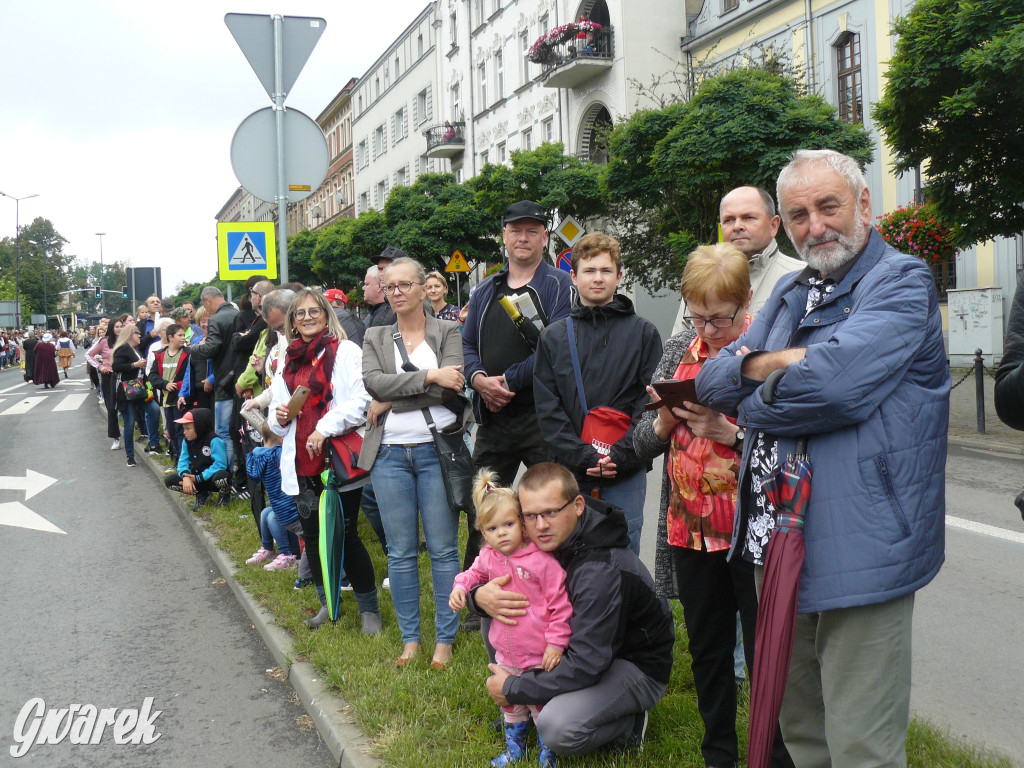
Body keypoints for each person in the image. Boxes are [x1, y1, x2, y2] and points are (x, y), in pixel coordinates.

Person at [697, 149, 950, 768]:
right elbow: (711, 383)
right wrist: (779, 365)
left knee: (862, 744)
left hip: (862, 543)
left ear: (864, 203)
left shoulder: (902, 281)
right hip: (776, 539)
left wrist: (754, 394)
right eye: (799, 214)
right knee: (802, 729)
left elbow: (836, 387)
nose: (816, 226)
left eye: (828, 206)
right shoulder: (791, 288)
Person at [633, 243, 793, 768]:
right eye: (697, 316)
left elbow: (795, 441)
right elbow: (640, 440)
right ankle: (718, 752)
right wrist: (662, 422)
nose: (707, 330)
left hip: (751, 532)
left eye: (719, 318)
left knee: (770, 652)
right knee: (707, 648)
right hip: (689, 529)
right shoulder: (680, 348)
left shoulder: (770, 350)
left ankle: (773, 753)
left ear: (747, 301)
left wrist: (732, 432)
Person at [472, 462, 674, 757]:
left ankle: (627, 724)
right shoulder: (531, 536)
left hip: (631, 662)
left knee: (557, 728)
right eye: (530, 515)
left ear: (578, 505)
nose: (540, 525)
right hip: (580, 644)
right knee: (498, 606)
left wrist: (514, 687)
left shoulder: (599, 569)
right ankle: (526, 709)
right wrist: (477, 598)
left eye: (551, 512)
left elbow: (587, 663)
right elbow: (482, 571)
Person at [359, 256, 472, 667]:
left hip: (435, 452)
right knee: (401, 553)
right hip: (389, 456)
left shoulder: (448, 330)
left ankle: (445, 639)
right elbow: (374, 382)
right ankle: (411, 640)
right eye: (391, 287)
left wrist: (391, 399)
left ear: (424, 288)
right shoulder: (375, 335)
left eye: (406, 284)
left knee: (443, 550)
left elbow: (453, 388)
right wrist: (427, 377)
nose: (398, 292)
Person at [462, 200, 573, 579]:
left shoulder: (559, 285)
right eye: (515, 230)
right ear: (504, 237)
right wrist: (478, 380)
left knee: (548, 507)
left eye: (531, 230)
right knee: (486, 506)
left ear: (545, 237)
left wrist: (507, 381)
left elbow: (553, 347)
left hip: (543, 417)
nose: (522, 238)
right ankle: (479, 593)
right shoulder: (484, 290)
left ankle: (554, 586)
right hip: (493, 421)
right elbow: (467, 345)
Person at [533, 233, 661, 555]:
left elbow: (651, 403)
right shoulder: (554, 337)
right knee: (568, 558)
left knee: (624, 556)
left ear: (619, 276)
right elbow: (548, 410)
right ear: (573, 276)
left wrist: (621, 456)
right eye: (589, 271)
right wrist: (584, 456)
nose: (598, 278)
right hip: (571, 469)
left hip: (625, 470)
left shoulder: (644, 333)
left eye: (606, 271)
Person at [268, 288, 381, 633]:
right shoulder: (286, 356)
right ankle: (327, 603)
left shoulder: (345, 351)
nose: (306, 318)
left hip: (335, 459)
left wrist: (323, 427)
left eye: (313, 311)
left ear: (326, 313)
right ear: (291, 321)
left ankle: (369, 610)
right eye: (299, 313)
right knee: (313, 535)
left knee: (344, 532)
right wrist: (281, 418)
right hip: (301, 459)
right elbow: (276, 407)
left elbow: (362, 398)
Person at [450, 470, 571, 768]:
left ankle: (548, 750)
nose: (501, 533)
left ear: (522, 524)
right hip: (506, 652)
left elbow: (561, 605)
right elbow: (472, 574)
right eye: (492, 528)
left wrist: (556, 643)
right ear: (483, 532)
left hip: (538, 654)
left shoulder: (541, 561)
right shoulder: (488, 556)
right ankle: (516, 749)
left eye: (508, 524)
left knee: (541, 703)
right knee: (511, 704)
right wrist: (461, 587)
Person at [672, 186, 804, 334]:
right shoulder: (699, 279)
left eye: (748, 218)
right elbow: (679, 350)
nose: (737, 226)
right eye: (729, 220)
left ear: (774, 225)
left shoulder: (803, 279)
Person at [189, 286, 240, 482]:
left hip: (223, 383)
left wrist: (192, 349)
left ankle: (224, 477)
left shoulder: (217, 319)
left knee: (224, 433)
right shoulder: (236, 314)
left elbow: (212, 348)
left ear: (207, 301)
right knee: (235, 431)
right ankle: (236, 471)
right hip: (238, 378)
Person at [245, 424, 302, 571]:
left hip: (280, 505)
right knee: (269, 515)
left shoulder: (258, 454)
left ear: (262, 437)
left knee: (268, 514)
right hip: (287, 505)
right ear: (283, 438)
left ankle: (277, 551)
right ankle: (283, 553)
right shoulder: (279, 454)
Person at [111, 324, 162, 467]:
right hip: (127, 392)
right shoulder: (122, 348)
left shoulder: (136, 349)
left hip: (139, 390)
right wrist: (134, 365)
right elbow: (115, 367)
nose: (140, 335)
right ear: (129, 335)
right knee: (129, 423)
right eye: (137, 333)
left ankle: (154, 443)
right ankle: (130, 456)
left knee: (154, 410)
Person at [164, 409, 232, 509]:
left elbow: (220, 464)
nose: (185, 432)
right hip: (196, 479)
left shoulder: (214, 440)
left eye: (188, 429)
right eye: (184, 429)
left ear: (199, 427)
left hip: (211, 478)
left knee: (222, 477)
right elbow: (183, 461)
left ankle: (224, 494)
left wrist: (199, 477)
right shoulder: (186, 441)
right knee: (169, 481)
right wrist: (185, 476)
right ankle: (201, 494)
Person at [148, 322, 189, 462]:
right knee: (171, 432)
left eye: (184, 335)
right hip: (166, 400)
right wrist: (165, 384)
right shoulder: (160, 355)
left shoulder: (188, 354)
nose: (183, 338)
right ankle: (176, 460)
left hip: (181, 400)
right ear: (170, 337)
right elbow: (152, 376)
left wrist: (178, 385)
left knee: (181, 432)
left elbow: (191, 375)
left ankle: (182, 464)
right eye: (180, 335)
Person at [363, 265, 396, 329]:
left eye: (367, 284)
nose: (363, 288)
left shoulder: (391, 316)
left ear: (379, 286)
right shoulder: (372, 313)